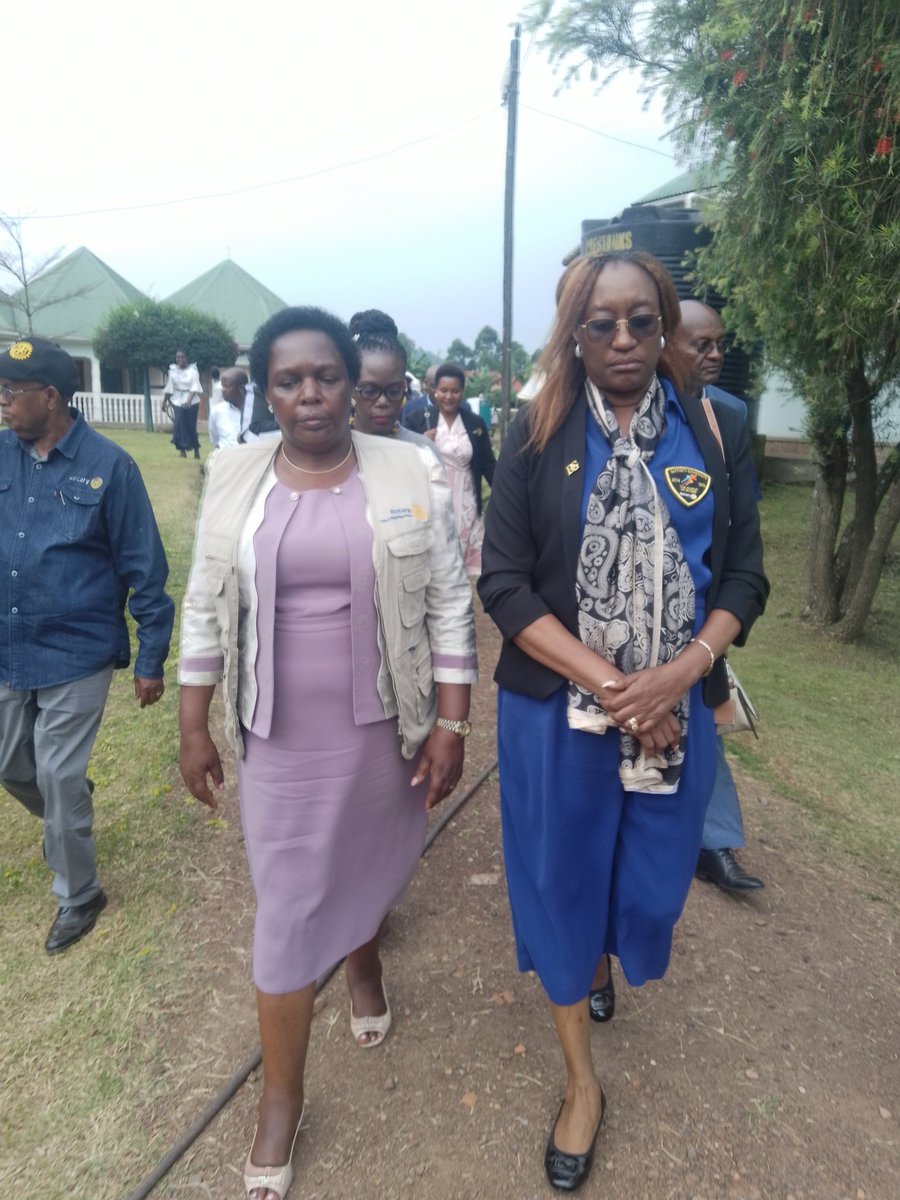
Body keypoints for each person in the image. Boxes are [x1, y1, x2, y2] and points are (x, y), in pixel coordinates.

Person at [478, 251, 768, 1192]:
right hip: (558, 714)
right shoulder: (536, 430)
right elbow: (506, 586)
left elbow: (743, 578)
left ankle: (605, 955)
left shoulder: (717, 430)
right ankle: (579, 1084)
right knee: (563, 888)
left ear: (667, 324)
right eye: (600, 323)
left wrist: (680, 675)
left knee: (646, 891)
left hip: (673, 713)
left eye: (642, 321)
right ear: (574, 330)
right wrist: (617, 686)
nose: (624, 340)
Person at [178, 306, 477, 1200]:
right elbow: (203, 601)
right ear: (266, 391)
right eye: (288, 380)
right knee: (284, 911)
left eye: (327, 377)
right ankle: (280, 1099)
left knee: (372, 860)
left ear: (352, 384)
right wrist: (194, 723)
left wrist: (453, 725)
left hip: (383, 726)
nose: (309, 394)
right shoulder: (234, 474)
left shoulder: (405, 466)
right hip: (276, 735)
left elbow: (451, 605)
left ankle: (364, 957)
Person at [0, 337, 174, 954]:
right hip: (10, 640)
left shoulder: (111, 467)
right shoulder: (1, 454)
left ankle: (79, 894)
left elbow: (144, 569)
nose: (1, 403)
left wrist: (151, 657)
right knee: (11, 764)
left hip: (78, 649)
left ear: (50, 397)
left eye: (11, 393)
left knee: (57, 770)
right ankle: (66, 802)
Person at [674, 299, 764, 892]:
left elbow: (739, 520)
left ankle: (715, 844)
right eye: (700, 344)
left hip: (702, 614)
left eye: (720, 344)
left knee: (703, 723)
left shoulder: (727, 417)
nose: (715, 354)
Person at [422, 363, 495, 578]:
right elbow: (403, 455)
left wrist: (506, 495)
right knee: (434, 558)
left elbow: (489, 464)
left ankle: (458, 604)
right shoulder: (421, 418)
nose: (448, 396)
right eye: (443, 390)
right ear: (435, 390)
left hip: (465, 501)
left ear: (462, 392)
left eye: (455, 391)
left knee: (460, 564)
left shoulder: (475, 423)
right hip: (433, 499)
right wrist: (420, 441)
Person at [348, 309, 437, 455]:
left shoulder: (423, 453)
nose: (382, 401)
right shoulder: (332, 452)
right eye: (370, 391)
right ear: (351, 388)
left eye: (394, 391)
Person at [163, 349, 203, 459]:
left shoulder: (193, 370)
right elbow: (169, 388)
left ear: (186, 358)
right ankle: (182, 451)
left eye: (182, 357)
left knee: (190, 426)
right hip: (177, 400)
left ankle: (196, 450)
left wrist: (188, 401)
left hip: (192, 401)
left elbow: (195, 387)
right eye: (178, 357)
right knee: (179, 425)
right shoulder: (172, 371)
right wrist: (164, 402)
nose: (180, 360)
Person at [208, 367, 248, 450]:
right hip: (225, 458)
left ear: (241, 388)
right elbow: (215, 440)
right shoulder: (216, 411)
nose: (223, 390)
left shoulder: (254, 411)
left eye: (226, 387)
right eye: (222, 386)